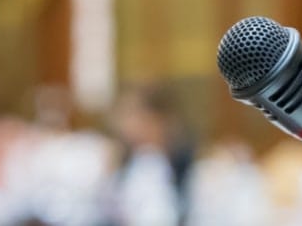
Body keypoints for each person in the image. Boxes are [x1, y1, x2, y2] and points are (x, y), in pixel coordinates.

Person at [23, 86, 116, 225]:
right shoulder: (28, 147)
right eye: (47, 105)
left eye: (57, 105)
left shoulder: (86, 145)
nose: (52, 112)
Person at [108, 84, 189, 226]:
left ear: (156, 120)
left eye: (131, 115)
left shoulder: (163, 162)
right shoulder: (131, 160)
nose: (124, 125)